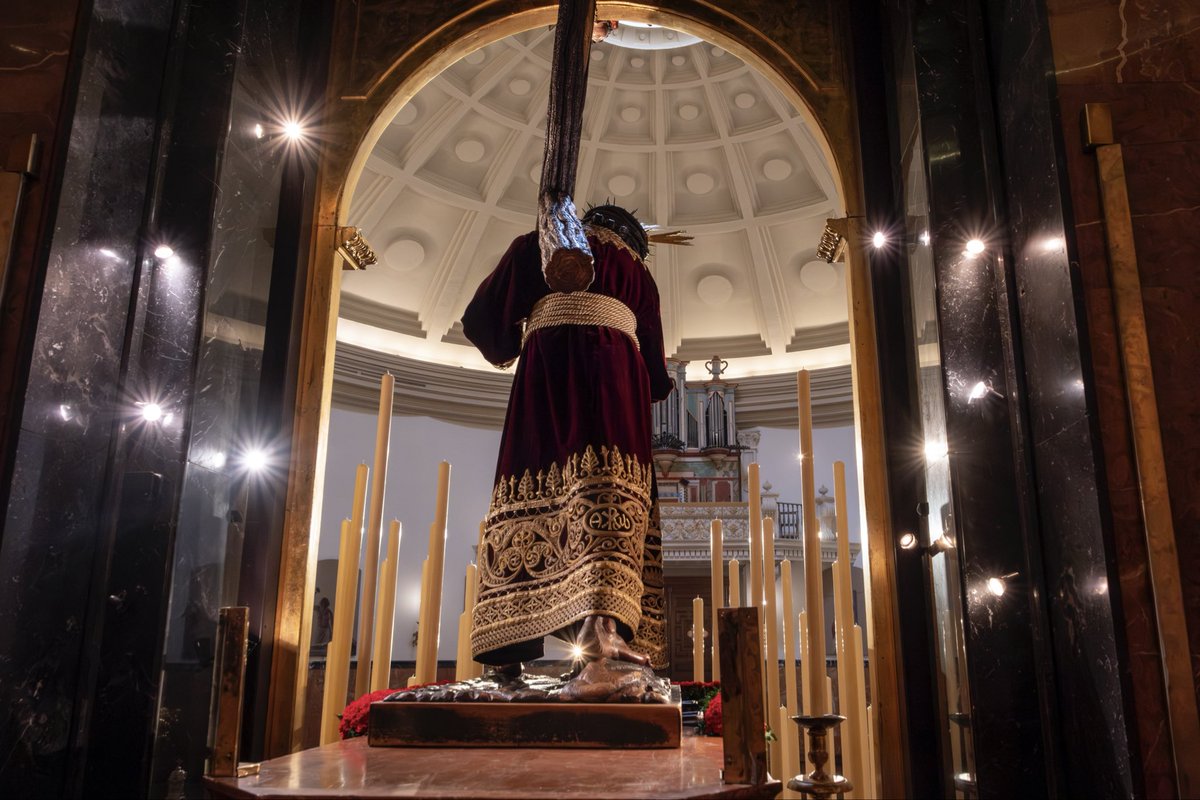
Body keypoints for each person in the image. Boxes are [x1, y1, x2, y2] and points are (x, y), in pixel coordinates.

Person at [462, 204, 673, 672]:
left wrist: (519, 336)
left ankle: (506, 655)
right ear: (636, 243)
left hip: (546, 377)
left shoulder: (540, 244)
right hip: (615, 386)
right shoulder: (640, 275)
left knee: (531, 485)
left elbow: (482, 320)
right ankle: (602, 631)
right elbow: (657, 375)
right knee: (608, 496)